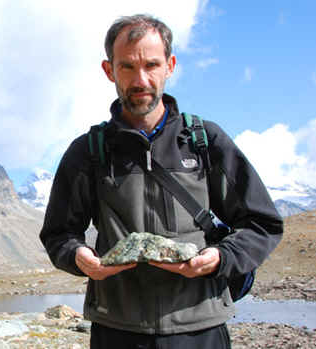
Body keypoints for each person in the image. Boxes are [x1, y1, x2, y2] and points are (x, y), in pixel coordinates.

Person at [39, 14, 283, 349]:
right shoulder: (89, 152)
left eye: (151, 65)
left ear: (169, 66)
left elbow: (262, 223)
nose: (141, 79)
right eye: (127, 67)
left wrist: (221, 258)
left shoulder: (204, 141)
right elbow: (58, 233)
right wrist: (78, 256)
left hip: (200, 330)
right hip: (117, 331)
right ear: (109, 70)